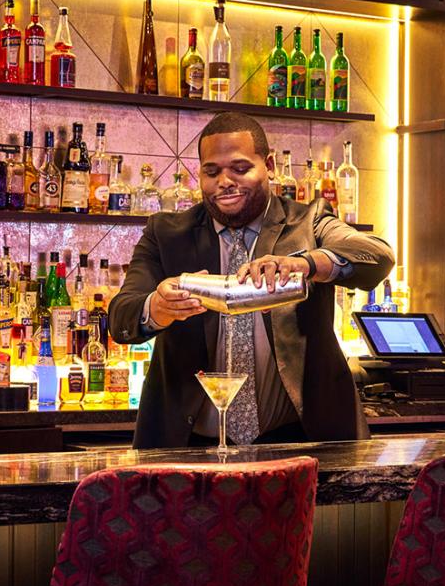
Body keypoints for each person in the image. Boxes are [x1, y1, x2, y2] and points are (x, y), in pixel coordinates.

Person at [109, 112, 394, 449]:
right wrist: (157, 308)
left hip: (298, 440)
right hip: (188, 444)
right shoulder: (166, 233)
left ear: (268, 165)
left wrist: (305, 263)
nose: (225, 181)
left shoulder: (309, 221)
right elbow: (121, 317)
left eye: (240, 168)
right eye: (211, 172)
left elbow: (377, 254)